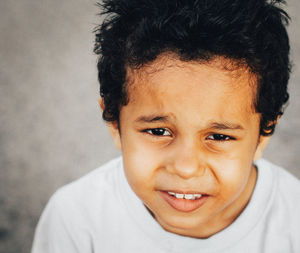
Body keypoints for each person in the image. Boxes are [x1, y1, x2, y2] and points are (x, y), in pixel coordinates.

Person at [31, 0, 300, 252]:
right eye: (158, 131)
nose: (185, 167)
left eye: (219, 136)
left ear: (263, 134)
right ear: (114, 121)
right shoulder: (76, 219)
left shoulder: (293, 225)